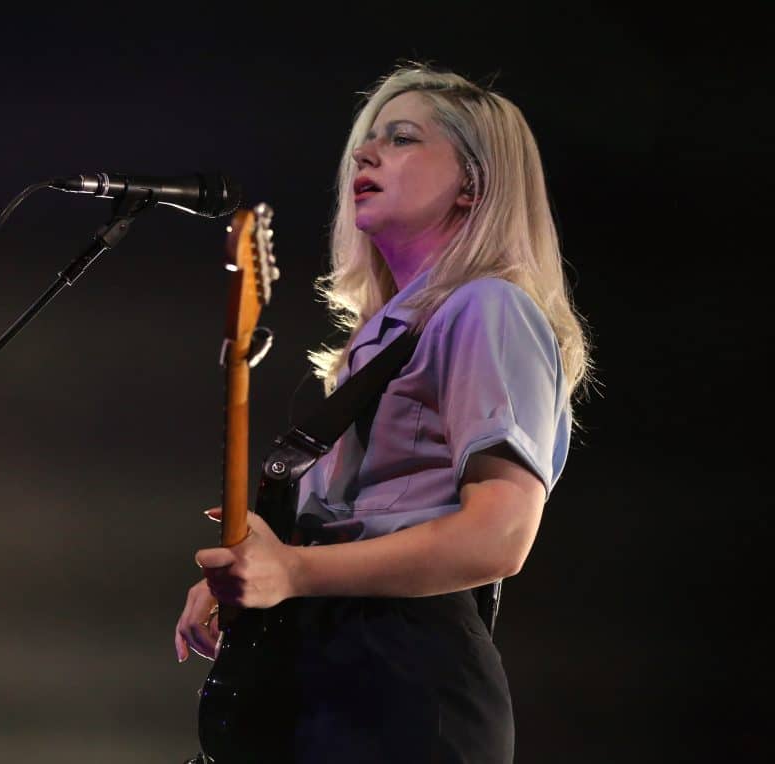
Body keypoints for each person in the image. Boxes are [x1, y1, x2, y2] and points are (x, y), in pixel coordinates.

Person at [174, 60, 592, 763]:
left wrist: (297, 573)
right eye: (366, 141)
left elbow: (501, 537)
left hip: (402, 679)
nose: (364, 153)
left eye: (401, 139)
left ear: (474, 183)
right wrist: (254, 571)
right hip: (330, 672)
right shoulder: (379, 340)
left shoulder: (486, 306)